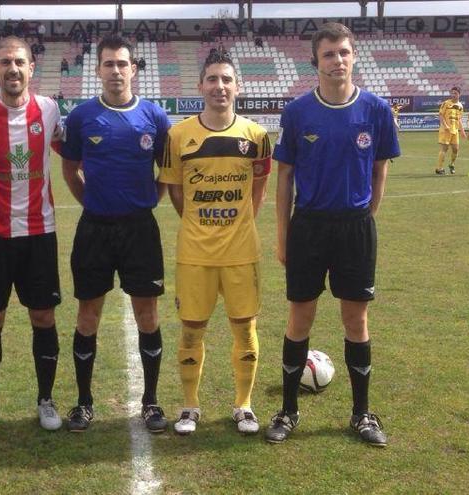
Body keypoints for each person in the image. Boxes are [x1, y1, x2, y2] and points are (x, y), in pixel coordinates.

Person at [265, 22, 399, 447]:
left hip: (355, 228)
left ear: (353, 57)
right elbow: (284, 178)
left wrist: (365, 217)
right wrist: (283, 236)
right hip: (307, 227)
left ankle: (361, 414)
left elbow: (380, 170)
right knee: (300, 317)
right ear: (315, 62)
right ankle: (288, 411)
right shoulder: (298, 112)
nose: (337, 60)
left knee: (355, 319)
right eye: (329, 54)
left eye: (344, 52)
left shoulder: (376, 110)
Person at [59, 34, 171, 433]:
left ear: (134, 69)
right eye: (109, 64)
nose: (116, 71)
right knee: (88, 315)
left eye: (123, 64)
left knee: (148, 315)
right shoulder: (81, 117)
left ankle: (152, 402)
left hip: (140, 229)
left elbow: (167, 171)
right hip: (95, 229)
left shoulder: (155, 118)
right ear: (98, 70)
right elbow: (70, 169)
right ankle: (84, 402)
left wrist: (150, 199)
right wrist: (91, 200)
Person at [159, 51, 272, 436]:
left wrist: (240, 224)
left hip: (242, 252)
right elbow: (175, 192)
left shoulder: (257, 137)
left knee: (245, 327)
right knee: (192, 329)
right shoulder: (178, 136)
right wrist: (199, 223)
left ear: (236, 86)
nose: (219, 86)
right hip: (194, 253)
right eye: (212, 79)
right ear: (200, 86)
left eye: (226, 79)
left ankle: (244, 405)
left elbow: (258, 189)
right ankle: (190, 406)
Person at [0, 36, 65, 437]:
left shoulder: (51, 110)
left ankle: (46, 399)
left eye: (20, 62)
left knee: (43, 315)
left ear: (31, 68)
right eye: (5, 61)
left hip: (40, 233)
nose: (13, 69)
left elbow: (72, 153)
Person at [435, 86, 465, 175]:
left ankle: (452, 164)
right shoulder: (446, 103)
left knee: (456, 149)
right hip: (446, 130)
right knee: (444, 148)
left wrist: (462, 131)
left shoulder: (460, 106)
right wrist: (446, 126)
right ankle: (439, 168)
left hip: (455, 131)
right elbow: (441, 115)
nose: (453, 95)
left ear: (459, 94)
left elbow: (459, 119)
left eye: (455, 93)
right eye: (452, 93)